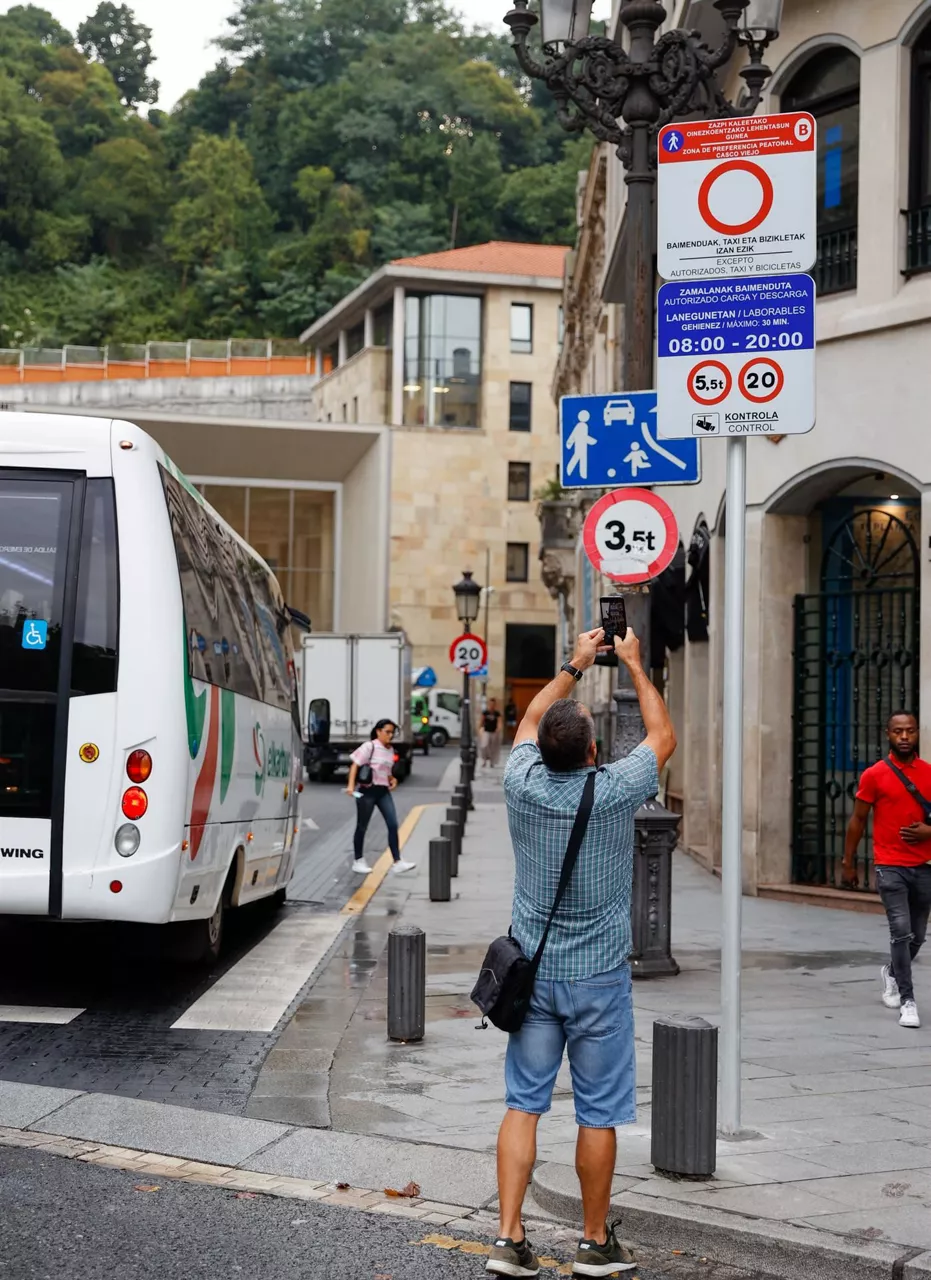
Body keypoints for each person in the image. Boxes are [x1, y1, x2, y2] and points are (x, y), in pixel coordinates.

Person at [485, 625, 676, 1280]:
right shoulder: (615, 788)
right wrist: (633, 664)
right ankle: (593, 1243)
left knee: (523, 1103)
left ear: (540, 751)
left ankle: (508, 1237)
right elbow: (662, 737)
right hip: (598, 980)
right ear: (593, 751)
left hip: (533, 975)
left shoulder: (521, 782)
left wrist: (573, 663)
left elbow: (529, 717)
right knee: (598, 1112)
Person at [843, 710, 931, 1029]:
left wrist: (929, 832)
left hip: (924, 865)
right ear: (888, 734)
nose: (904, 736)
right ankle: (908, 1000)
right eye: (898, 731)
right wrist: (848, 862)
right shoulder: (874, 775)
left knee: (917, 936)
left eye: (910, 731)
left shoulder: (929, 773)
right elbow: (858, 820)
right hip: (889, 865)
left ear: (917, 733)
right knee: (901, 930)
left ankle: (892, 971)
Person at [346, 720, 416, 876]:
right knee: (362, 826)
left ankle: (397, 861)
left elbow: (386, 771)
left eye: (392, 733)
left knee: (392, 824)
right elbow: (355, 765)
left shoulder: (390, 750)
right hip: (367, 791)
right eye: (387, 732)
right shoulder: (369, 746)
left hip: (383, 792)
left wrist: (392, 779)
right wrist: (351, 786)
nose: (390, 735)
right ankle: (358, 860)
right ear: (378, 731)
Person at [481, 698, 503, 768]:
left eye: (493, 704)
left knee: (493, 747)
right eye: (490, 704)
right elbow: (481, 721)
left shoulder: (497, 713)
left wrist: (498, 729)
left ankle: (492, 762)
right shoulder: (485, 712)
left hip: (494, 732)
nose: (491, 705)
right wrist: (480, 729)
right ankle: (484, 760)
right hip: (486, 731)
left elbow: (499, 722)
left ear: (495, 705)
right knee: (484, 745)